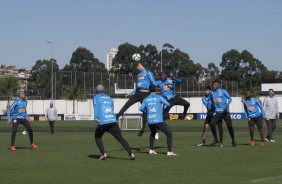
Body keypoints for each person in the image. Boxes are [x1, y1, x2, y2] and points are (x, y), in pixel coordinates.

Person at [93, 84, 135, 160]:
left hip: (103, 121)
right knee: (121, 139)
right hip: (112, 120)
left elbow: (96, 107)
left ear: (96, 90)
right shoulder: (109, 98)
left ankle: (103, 154)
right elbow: (111, 109)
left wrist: (95, 117)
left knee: (97, 137)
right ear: (104, 90)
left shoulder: (96, 97)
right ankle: (131, 154)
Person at [115, 60, 156, 137]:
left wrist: (152, 92)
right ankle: (116, 117)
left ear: (142, 65)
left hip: (145, 94)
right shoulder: (139, 74)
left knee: (145, 111)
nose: (137, 67)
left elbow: (153, 82)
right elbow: (137, 87)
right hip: (137, 93)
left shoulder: (148, 72)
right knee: (127, 105)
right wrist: (131, 92)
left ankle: (143, 129)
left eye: (138, 65)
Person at [140, 84, 177, 156]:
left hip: (150, 120)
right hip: (158, 120)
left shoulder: (146, 99)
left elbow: (141, 108)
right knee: (169, 134)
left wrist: (147, 112)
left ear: (149, 90)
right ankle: (169, 151)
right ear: (156, 90)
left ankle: (151, 150)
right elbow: (168, 104)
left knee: (153, 133)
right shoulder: (159, 97)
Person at [154, 71, 190, 140]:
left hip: (174, 98)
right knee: (163, 117)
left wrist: (174, 78)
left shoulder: (170, 80)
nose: (162, 76)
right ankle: (157, 131)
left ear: (166, 75)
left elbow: (180, 82)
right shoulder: (159, 82)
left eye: (163, 75)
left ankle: (184, 114)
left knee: (187, 104)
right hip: (166, 101)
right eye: (161, 75)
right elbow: (152, 85)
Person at [209, 80, 236, 147]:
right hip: (217, 112)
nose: (213, 85)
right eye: (213, 84)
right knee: (212, 124)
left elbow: (230, 99)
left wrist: (227, 104)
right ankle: (216, 139)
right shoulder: (212, 92)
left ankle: (233, 140)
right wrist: (209, 105)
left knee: (229, 126)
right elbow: (210, 100)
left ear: (218, 85)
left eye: (215, 84)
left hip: (225, 112)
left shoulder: (223, 91)